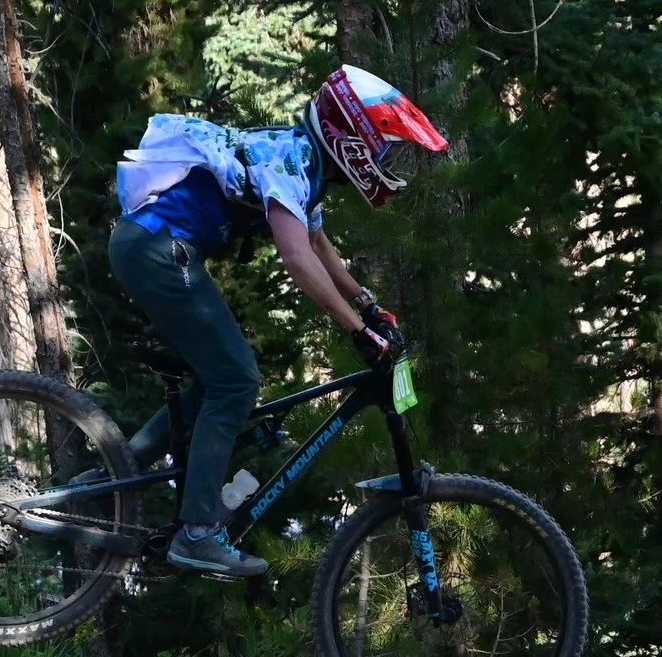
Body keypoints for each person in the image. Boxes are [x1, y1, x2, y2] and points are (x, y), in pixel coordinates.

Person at [111, 65, 448, 580]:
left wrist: (366, 304)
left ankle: (119, 472)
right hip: (158, 248)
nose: (387, 161)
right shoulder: (294, 159)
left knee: (219, 379)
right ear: (353, 137)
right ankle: (198, 533)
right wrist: (357, 331)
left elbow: (317, 244)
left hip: (155, 248)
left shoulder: (304, 164)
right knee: (237, 379)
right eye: (385, 148)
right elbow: (296, 259)